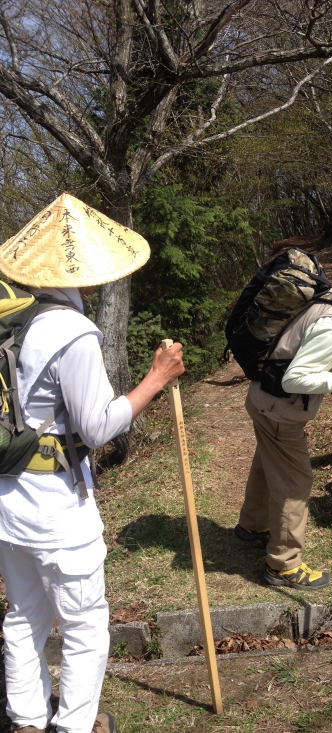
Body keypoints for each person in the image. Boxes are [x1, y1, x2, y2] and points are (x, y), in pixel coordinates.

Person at [0, 194, 184, 733]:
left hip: (7, 502)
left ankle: (27, 719)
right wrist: (157, 377)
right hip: (56, 509)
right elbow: (97, 427)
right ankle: (74, 726)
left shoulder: (11, 320)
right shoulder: (72, 333)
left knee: (23, 616)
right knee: (85, 626)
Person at [234, 281, 332, 589]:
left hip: (264, 401)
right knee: (294, 483)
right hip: (278, 409)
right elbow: (293, 379)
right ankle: (283, 565)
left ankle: (252, 525)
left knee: (269, 462)